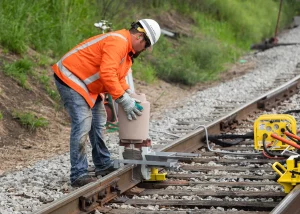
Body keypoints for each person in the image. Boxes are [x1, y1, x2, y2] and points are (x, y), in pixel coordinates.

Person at [52, 19, 161, 187]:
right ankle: (78, 174)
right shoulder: (118, 41)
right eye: (146, 46)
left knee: (98, 123)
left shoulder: (127, 53)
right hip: (70, 77)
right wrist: (123, 99)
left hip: (87, 85)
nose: (145, 50)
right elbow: (107, 73)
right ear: (140, 37)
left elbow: (118, 78)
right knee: (83, 123)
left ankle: (102, 164)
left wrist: (130, 95)